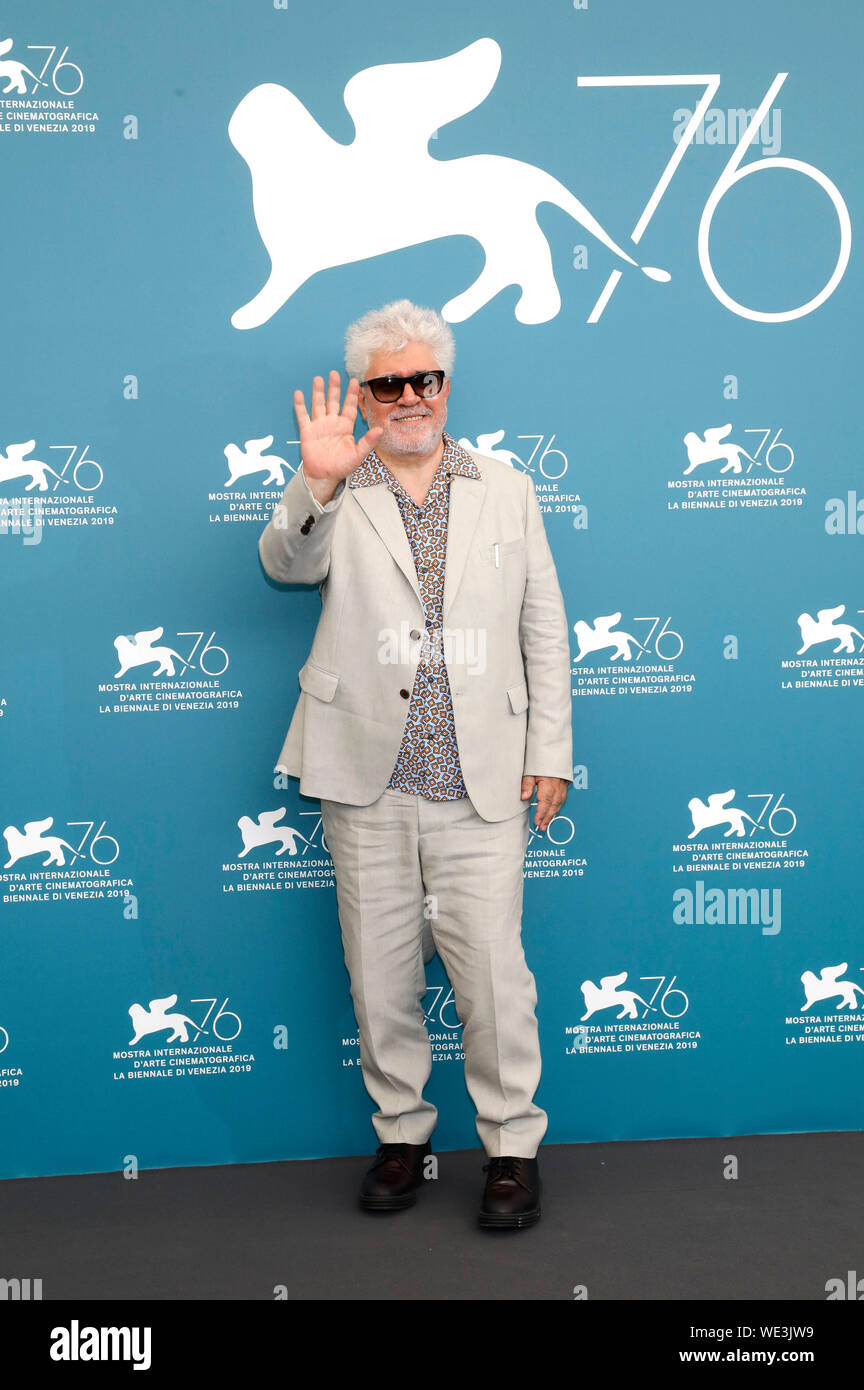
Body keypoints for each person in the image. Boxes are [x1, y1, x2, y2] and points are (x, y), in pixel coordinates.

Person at [258, 299, 572, 1229]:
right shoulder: (336, 483)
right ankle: (402, 1135)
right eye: (387, 383)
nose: (407, 397)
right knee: (378, 979)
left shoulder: (507, 487)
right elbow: (282, 563)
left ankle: (511, 1151)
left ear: (445, 383)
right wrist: (313, 487)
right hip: (367, 778)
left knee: (494, 983)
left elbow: (543, 625)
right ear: (363, 393)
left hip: (483, 782)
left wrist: (550, 747)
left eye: (422, 378)